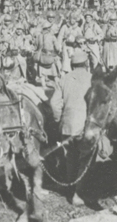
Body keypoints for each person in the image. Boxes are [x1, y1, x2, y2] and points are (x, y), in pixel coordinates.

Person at [50, 50, 92, 199]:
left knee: (70, 157)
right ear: (87, 63)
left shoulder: (64, 79)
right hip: (86, 126)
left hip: (68, 125)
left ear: (72, 65)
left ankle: (70, 185)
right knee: (85, 158)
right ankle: (78, 194)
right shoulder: (92, 79)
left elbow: (54, 103)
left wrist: (59, 120)